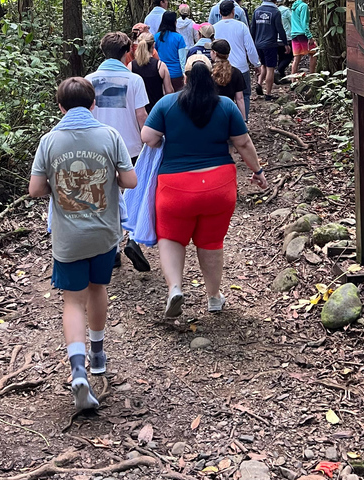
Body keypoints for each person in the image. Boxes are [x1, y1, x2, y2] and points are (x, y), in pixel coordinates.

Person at [28, 77, 138, 410]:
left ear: (60, 106)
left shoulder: (49, 141)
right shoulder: (110, 135)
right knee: (97, 289)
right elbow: (129, 181)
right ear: (93, 104)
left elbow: (35, 189)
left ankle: (78, 370)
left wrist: (60, 187)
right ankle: (99, 354)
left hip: (68, 237)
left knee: (72, 301)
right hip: (104, 233)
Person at [140, 55, 268, 318]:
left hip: (174, 186)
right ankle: (213, 297)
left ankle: (175, 288)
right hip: (218, 185)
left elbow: (148, 137)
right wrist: (258, 171)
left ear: (185, 77)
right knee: (211, 241)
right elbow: (243, 143)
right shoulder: (226, 105)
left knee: (172, 237)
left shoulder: (167, 103)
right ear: (210, 76)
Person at [85, 32, 151, 271]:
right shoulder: (134, 80)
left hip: (97, 148)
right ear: (127, 52)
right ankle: (132, 238)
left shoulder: (88, 80)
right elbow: (141, 115)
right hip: (130, 146)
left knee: (107, 196)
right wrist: (150, 143)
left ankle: (111, 249)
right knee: (133, 194)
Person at [213, 0, 260, 120]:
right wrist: (256, 63)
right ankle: (242, 122)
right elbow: (250, 47)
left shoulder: (214, 28)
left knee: (220, 96)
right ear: (233, 11)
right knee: (244, 95)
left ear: (219, 12)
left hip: (219, 66)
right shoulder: (241, 26)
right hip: (240, 67)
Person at [128, 32, 174, 112]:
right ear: (153, 45)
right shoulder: (160, 66)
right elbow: (169, 91)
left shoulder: (131, 66)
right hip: (157, 110)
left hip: (138, 111)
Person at [251, 0, 288, 101]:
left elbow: (253, 29)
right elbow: (280, 29)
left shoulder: (257, 11)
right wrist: (285, 43)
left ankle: (259, 83)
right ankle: (268, 94)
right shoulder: (275, 12)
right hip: (270, 44)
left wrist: (252, 44)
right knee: (270, 68)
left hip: (258, 44)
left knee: (263, 65)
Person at [210, 39, 246, 120]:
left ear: (215, 53)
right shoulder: (236, 72)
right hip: (229, 111)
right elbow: (239, 99)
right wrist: (243, 119)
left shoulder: (208, 72)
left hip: (211, 111)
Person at [155, 11, 188, 91]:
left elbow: (154, 55)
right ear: (174, 22)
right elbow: (182, 59)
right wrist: (185, 75)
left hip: (161, 73)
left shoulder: (157, 37)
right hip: (176, 74)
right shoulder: (179, 38)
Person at [291, 0, 316, 74]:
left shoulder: (295, 6)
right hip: (302, 34)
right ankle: (312, 75)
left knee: (297, 57)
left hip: (294, 34)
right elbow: (304, 23)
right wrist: (309, 36)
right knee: (314, 53)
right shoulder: (304, 6)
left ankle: (293, 80)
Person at [276, 0, 293, 79]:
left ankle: (281, 76)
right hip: (287, 37)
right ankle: (278, 71)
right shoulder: (286, 11)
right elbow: (293, 22)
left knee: (281, 57)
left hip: (276, 38)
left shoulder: (274, 10)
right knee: (289, 57)